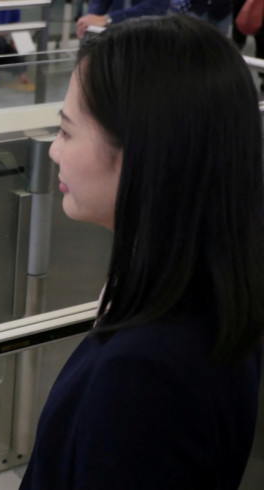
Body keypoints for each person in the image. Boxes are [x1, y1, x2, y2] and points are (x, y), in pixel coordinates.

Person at [20, 15, 264, 489]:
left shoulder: (144, 377)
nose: (53, 151)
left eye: (66, 131)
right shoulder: (219, 287)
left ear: (143, 153)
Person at [75, 0, 168, 38]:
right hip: (116, 36)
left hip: (151, 34)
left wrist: (109, 19)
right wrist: (91, 19)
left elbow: (157, 6)